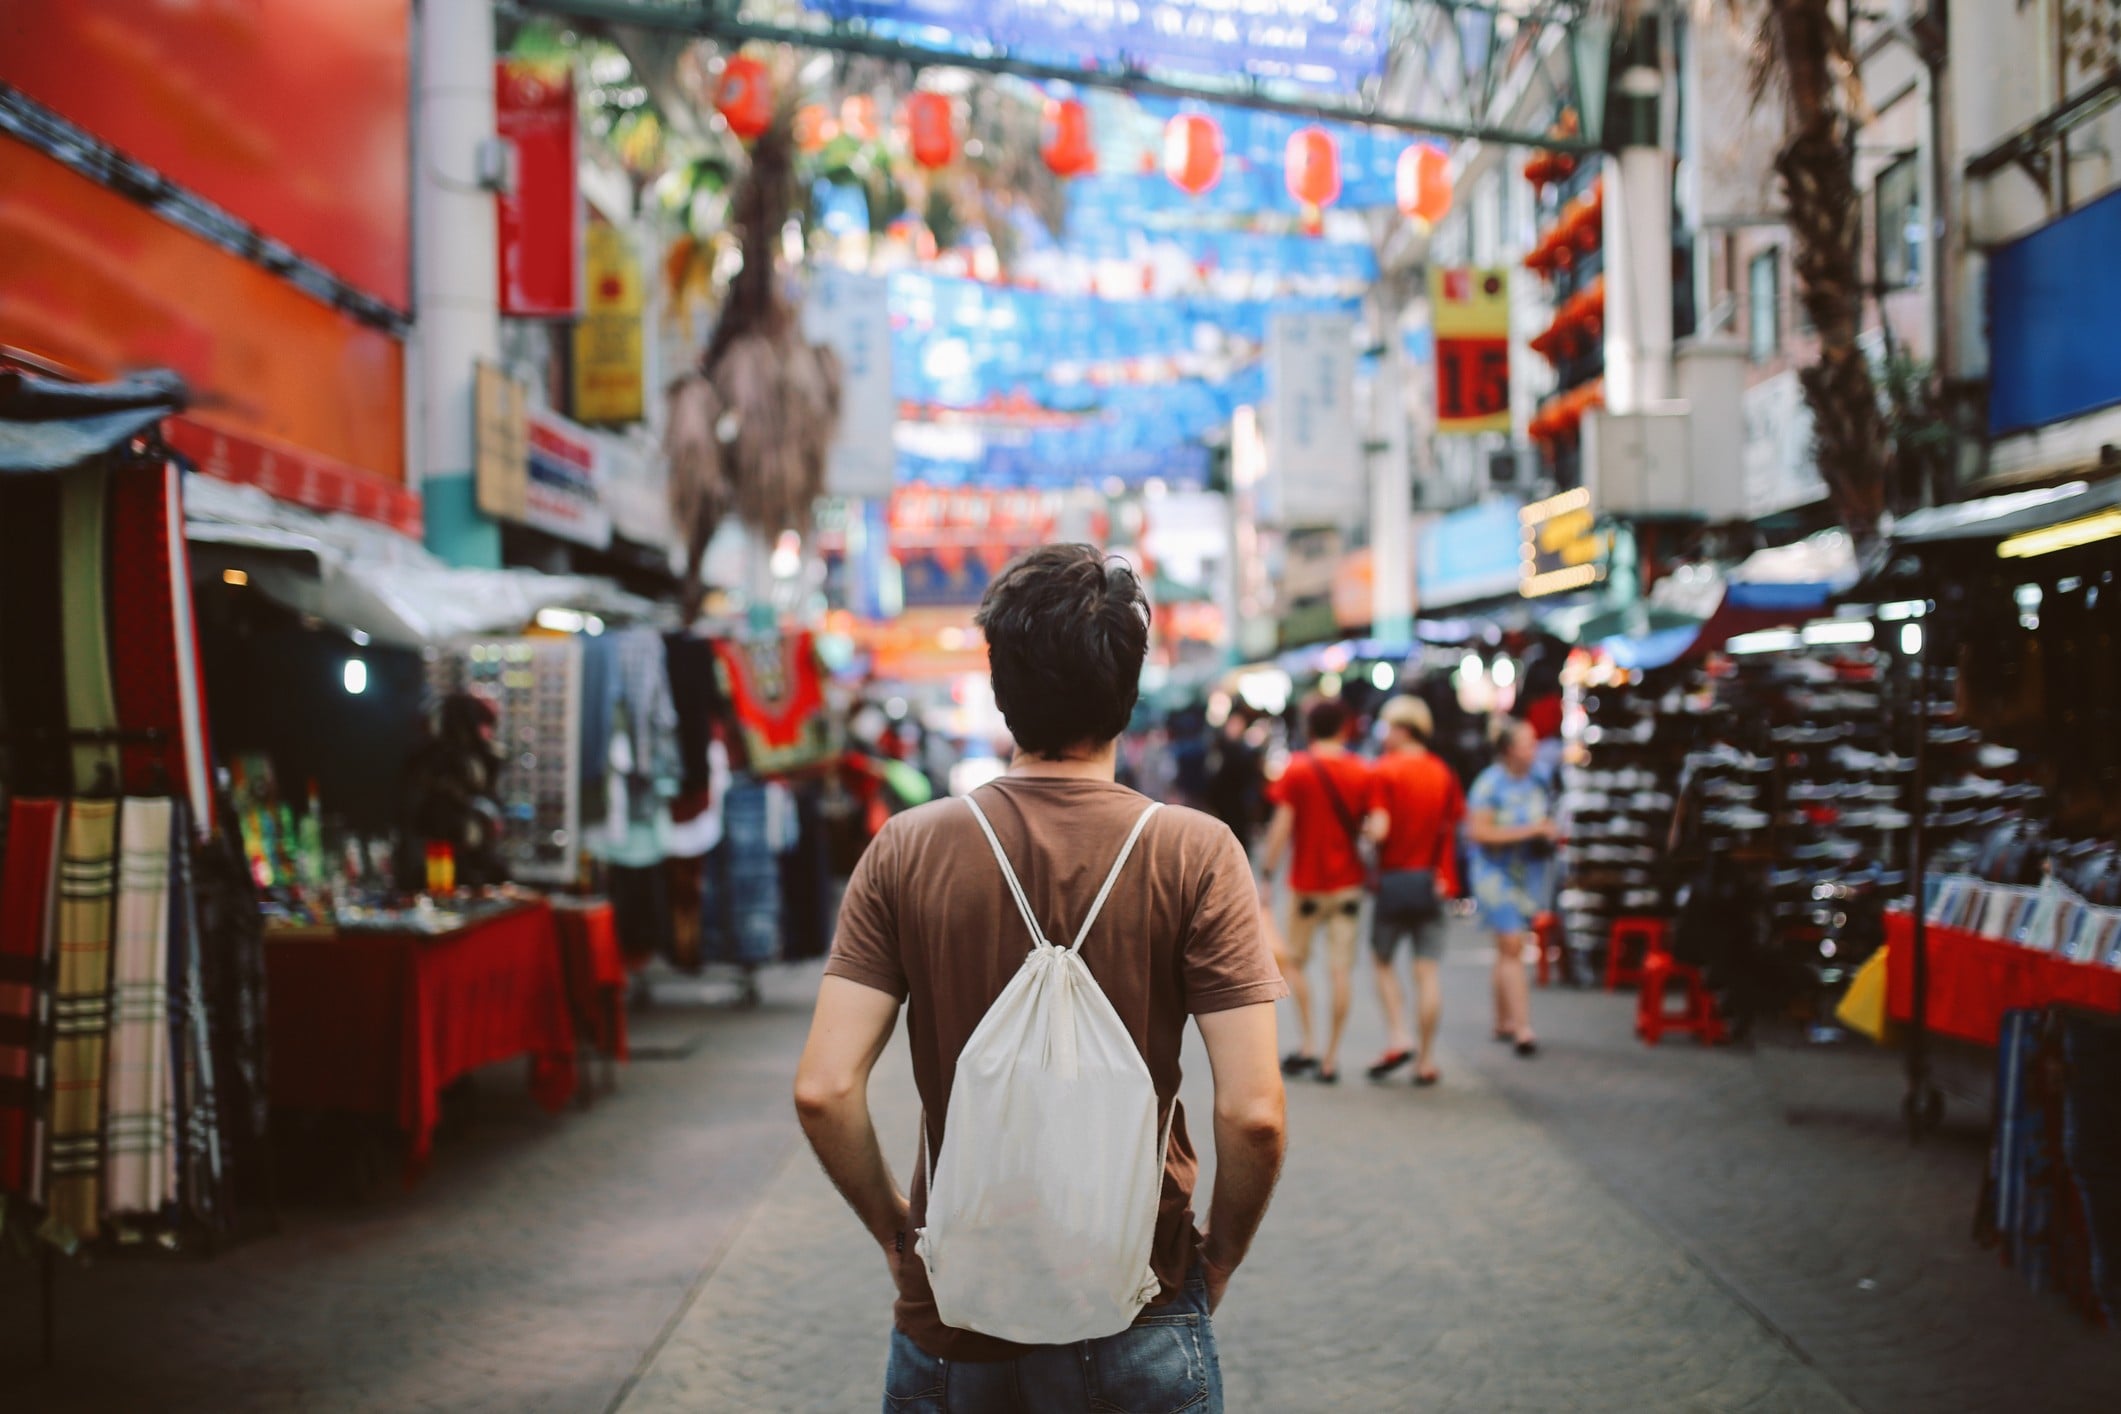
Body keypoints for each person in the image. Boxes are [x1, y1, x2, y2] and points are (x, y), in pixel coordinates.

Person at [793, 544, 1288, 1413]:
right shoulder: (1195, 852)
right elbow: (1253, 1112)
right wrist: (1216, 1261)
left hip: (953, 1315)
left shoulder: (907, 848)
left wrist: (898, 1234)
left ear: (998, 686)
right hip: (1140, 1299)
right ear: (1128, 694)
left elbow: (825, 1090)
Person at [1257, 697, 1372, 1084]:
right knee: (1340, 970)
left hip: (1306, 885)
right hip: (1348, 887)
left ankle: (1307, 1042)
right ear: (1344, 728)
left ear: (1310, 729)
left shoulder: (1298, 769)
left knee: (1293, 963)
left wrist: (1267, 873)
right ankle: (1331, 1057)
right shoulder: (1361, 770)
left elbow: (1282, 827)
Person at [1363, 696, 1464, 1086]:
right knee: (1427, 972)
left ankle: (1398, 1034)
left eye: (1387, 727)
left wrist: (1369, 833)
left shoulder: (1384, 772)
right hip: (1433, 883)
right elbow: (1453, 825)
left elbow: (1381, 829)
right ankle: (1426, 1060)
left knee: (1383, 962)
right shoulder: (1443, 772)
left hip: (1393, 882)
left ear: (1402, 729)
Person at [1466, 720, 1559, 1057]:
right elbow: (1478, 832)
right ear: (1508, 750)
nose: (1533, 749)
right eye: (1526, 743)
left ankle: (1502, 1020)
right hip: (1495, 874)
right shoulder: (1489, 785)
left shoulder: (1540, 778)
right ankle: (1522, 1027)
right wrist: (1531, 830)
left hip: (1526, 875)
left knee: (1506, 949)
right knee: (1512, 944)